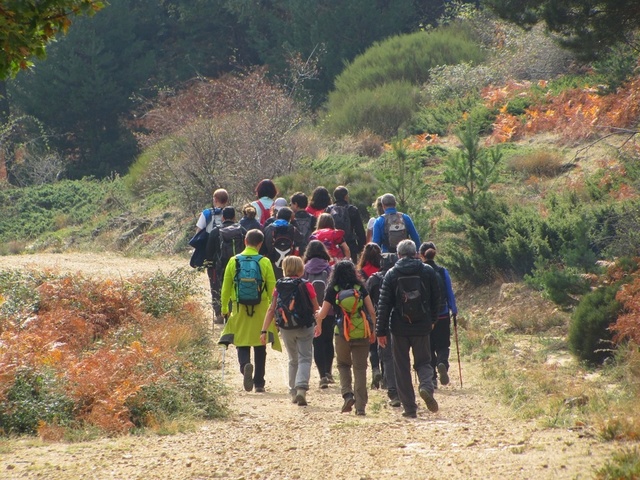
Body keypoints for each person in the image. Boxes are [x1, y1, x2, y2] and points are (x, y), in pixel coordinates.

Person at [376, 239, 440, 418]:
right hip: (422, 326)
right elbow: (437, 297)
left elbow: (384, 305)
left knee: (401, 367)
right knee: (424, 362)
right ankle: (426, 386)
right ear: (416, 253)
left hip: (399, 328)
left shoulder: (391, 274)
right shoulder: (427, 271)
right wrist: (432, 320)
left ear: (398, 255)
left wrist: (380, 331)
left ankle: (410, 408)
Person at [219, 229, 281, 393]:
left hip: (239, 307)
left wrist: (224, 308)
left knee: (241, 342)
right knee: (260, 345)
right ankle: (259, 383)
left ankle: (245, 366)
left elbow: (225, 287)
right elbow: (273, 288)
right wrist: (274, 310)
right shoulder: (264, 261)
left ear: (245, 241)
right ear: (260, 244)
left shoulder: (233, 261)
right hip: (260, 308)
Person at [315, 260, 377, 416]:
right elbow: (372, 311)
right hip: (362, 331)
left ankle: (348, 395)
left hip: (342, 332)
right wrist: (374, 330)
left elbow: (324, 313)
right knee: (360, 368)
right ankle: (361, 406)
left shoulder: (333, 289)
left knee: (343, 365)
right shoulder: (360, 287)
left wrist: (319, 320)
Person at [261, 256, 319, 406]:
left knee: (293, 359)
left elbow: (271, 309)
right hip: (305, 326)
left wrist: (264, 330)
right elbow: (315, 307)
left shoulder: (279, 286)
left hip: (286, 327)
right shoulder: (307, 285)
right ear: (301, 269)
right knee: (305, 358)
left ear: (285, 269)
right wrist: (319, 324)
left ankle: (293, 392)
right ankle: (301, 389)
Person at [419, 241, 458, 389]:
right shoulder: (442, 271)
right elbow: (449, 292)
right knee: (443, 345)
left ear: (421, 255)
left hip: (425, 317)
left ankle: (432, 379)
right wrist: (453, 310)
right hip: (442, 315)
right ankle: (442, 362)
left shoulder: (420, 272)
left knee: (428, 348)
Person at [366, 252, 400, 406]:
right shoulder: (399, 276)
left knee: (386, 355)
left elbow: (367, 301)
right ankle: (400, 388)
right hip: (401, 320)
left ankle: (391, 388)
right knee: (400, 356)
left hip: (380, 319)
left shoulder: (373, 279)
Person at [205, 206, 246, 324]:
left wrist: (210, 265)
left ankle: (219, 315)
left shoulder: (215, 231)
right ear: (234, 217)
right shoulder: (241, 230)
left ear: (223, 217)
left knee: (217, 288)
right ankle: (237, 313)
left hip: (220, 266)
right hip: (239, 266)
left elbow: (209, 252)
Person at [302, 240, 334, 388]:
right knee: (328, 341)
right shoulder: (328, 269)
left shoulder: (305, 270)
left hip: (311, 311)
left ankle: (322, 375)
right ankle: (328, 371)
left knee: (317, 342)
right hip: (329, 310)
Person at [195, 188, 229, 319]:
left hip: (212, 257)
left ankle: (218, 313)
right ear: (226, 200)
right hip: (228, 256)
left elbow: (198, 233)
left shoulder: (206, 213)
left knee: (214, 283)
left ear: (215, 199)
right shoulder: (230, 213)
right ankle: (229, 312)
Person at [356, 242, 383, 389]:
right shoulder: (384, 271)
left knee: (372, 345)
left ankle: (375, 369)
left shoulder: (361, 274)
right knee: (384, 344)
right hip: (384, 311)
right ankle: (385, 375)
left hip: (367, 312)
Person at [326, 186, 366, 263]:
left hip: (334, 245)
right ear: (346, 196)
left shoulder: (329, 210)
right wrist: (361, 249)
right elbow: (360, 231)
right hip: (350, 245)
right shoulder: (353, 210)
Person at [262, 207, 303, 279]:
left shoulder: (268, 229)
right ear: (291, 218)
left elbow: (263, 249)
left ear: (277, 216)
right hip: (290, 266)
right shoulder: (293, 229)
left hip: (271, 264)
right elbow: (300, 245)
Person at [289, 192, 316, 257]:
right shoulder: (313, 218)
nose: (290, 206)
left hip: (294, 253)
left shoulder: (291, 219)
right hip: (309, 251)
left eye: (291, 204)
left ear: (296, 204)